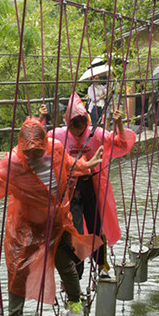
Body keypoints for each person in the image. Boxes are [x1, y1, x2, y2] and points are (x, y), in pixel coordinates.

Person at [0, 118, 103, 316]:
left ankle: (75, 302)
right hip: (26, 227)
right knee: (18, 272)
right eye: (28, 152)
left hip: (55, 223)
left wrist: (89, 164)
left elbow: (70, 164)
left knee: (65, 265)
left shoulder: (56, 149)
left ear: (45, 144)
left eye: (38, 151)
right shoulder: (12, 162)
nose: (33, 155)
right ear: (21, 147)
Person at [47, 93, 136, 278]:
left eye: (81, 124)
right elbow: (39, 145)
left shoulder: (96, 134)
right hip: (70, 192)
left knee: (96, 229)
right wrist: (40, 119)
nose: (78, 129)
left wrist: (119, 124)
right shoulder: (58, 136)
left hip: (92, 189)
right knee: (74, 233)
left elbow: (121, 144)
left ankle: (102, 267)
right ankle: (74, 275)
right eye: (73, 124)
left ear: (86, 121)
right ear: (67, 122)